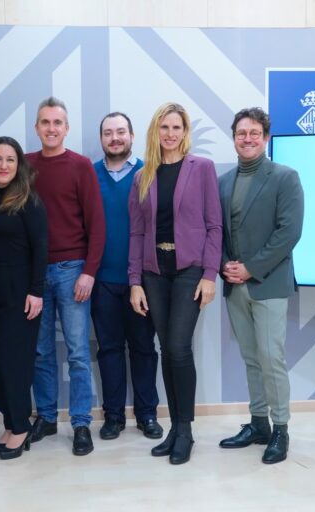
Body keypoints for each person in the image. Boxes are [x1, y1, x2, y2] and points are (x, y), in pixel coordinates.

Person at [128, 102, 222, 465]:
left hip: (189, 270)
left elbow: (214, 226)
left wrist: (209, 275)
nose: (170, 134)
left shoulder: (202, 169)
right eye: (164, 127)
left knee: (180, 348)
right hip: (154, 271)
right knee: (167, 348)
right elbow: (137, 232)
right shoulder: (143, 176)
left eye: (176, 127)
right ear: (156, 132)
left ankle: (186, 430)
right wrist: (135, 281)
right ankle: (174, 428)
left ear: (185, 132)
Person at [217, 107, 304, 465]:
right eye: (241, 133)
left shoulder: (285, 177)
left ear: (265, 138)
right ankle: (258, 424)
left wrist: (251, 269)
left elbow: (289, 233)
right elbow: (216, 230)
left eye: (254, 133)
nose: (248, 139)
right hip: (233, 284)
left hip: (268, 283)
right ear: (234, 138)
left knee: (271, 358)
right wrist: (225, 265)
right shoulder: (223, 181)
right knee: (251, 357)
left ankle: (281, 428)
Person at [26, 97, 106, 456]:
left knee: (76, 353)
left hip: (72, 269)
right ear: (37, 127)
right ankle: (44, 416)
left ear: (67, 128)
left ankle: (80, 423)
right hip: (34, 273)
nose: (51, 128)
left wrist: (89, 272)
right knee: (41, 352)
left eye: (58, 122)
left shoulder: (81, 166)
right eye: (45, 122)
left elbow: (97, 225)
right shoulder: (24, 166)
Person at [0, 136, 48, 460]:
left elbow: (41, 250)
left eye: (10, 160)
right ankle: (10, 422)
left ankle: (21, 427)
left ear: (19, 166)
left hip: (21, 289)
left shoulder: (29, 201)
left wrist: (37, 291)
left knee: (15, 361)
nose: (3, 165)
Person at [91, 113, 162, 441]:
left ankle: (148, 414)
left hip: (142, 281)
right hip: (102, 279)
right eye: (108, 133)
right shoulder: (89, 174)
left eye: (121, 132)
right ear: (102, 138)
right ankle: (114, 416)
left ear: (132, 135)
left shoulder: (150, 173)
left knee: (144, 348)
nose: (115, 138)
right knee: (108, 349)